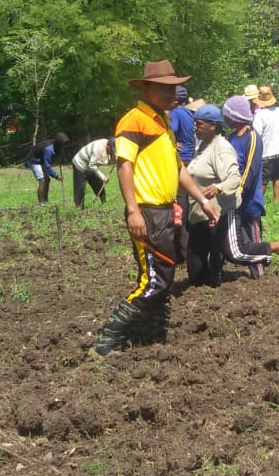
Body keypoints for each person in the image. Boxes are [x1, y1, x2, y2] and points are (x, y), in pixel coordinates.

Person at [89, 60, 220, 359]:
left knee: (164, 275)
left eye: (172, 88)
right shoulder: (133, 120)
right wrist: (133, 210)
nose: (170, 93)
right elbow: (125, 166)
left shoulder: (163, 122)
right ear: (146, 88)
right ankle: (106, 341)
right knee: (155, 280)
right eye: (162, 88)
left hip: (164, 210)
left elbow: (178, 168)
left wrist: (201, 199)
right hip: (146, 211)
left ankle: (152, 340)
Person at [223, 95, 279, 279]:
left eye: (227, 115)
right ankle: (258, 276)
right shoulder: (232, 137)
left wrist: (239, 192)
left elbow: (251, 170)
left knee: (253, 236)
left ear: (236, 116)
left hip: (248, 199)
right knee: (242, 240)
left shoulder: (252, 137)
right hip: (235, 198)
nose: (224, 119)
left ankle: (261, 277)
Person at [183, 103, 241, 287]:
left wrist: (218, 187)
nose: (195, 128)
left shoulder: (221, 147)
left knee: (219, 253)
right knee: (195, 259)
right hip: (199, 213)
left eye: (199, 124)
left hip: (216, 213)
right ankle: (203, 287)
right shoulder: (203, 146)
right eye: (195, 124)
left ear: (213, 125)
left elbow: (234, 178)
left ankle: (210, 288)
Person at [252, 85, 279, 204]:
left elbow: (256, 134)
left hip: (266, 153)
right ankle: (276, 201)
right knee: (277, 176)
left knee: (263, 180)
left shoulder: (259, 115)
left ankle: (259, 202)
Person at [25, 133, 69, 204]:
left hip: (40, 160)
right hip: (33, 160)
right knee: (42, 180)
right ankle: (41, 203)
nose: (64, 145)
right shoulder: (49, 149)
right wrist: (56, 176)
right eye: (63, 144)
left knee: (47, 180)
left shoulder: (56, 145)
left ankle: (45, 201)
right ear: (58, 143)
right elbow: (47, 165)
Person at [71, 136, 114, 209]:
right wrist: (103, 177)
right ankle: (78, 208)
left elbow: (111, 159)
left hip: (91, 165)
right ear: (107, 146)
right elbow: (92, 165)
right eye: (111, 150)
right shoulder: (98, 148)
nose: (112, 152)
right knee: (80, 187)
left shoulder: (110, 145)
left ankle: (104, 204)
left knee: (98, 184)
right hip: (80, 164)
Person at [169, 85, 196, 164]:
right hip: (189, 156)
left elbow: (173, 129)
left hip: (180, 156)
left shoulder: (175, 112)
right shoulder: (188, 112)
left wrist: (171, 142)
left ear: (176, 99)